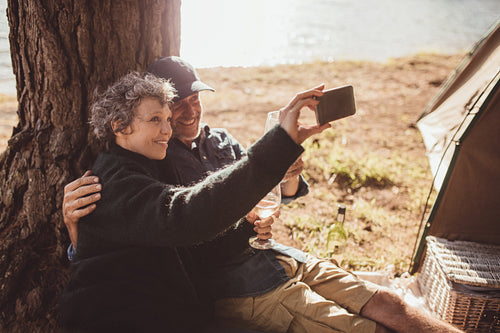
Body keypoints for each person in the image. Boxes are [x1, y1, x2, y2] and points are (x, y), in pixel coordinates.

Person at [62, 59, 463, 333]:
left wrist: (275, 181)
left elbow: (262, 196)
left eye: (175, 112)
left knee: (393, 305)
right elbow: (186, 215)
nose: (172, 124)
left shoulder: (164, 154)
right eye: (160, 117)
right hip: (241, 282)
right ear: (119, 125)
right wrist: (78, 236)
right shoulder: (131, 174)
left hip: (275, 256)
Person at [59, 70, 328, 332]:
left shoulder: (150, 163)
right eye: (155, 119)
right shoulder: (113, 181)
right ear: (118, 126)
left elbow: (189, 249)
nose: (167, 129)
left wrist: (245, 225)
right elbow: (186, 215)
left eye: (167, 118)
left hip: (171, 316)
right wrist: (277, 143)